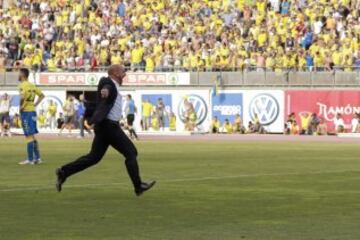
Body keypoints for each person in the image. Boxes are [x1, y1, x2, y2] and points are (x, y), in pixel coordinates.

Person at [56, 65, 155, 196]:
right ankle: (138, 186)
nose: (124, 74)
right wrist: (105, 91)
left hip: (105, 126)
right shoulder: (108, 82)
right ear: (114, 73)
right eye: (122, 71)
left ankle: (64, 172)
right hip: (109, 127)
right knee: (131, 153)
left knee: (94, 157)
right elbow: (106, 87)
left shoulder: (115, 86)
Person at [18, 68, 45, 165]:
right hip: (33, 112)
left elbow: (22, 97)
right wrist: (35, 104)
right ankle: (37, 158)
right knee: (32, 135)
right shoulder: (32, 85)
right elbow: (42, 95)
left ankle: (30, 159)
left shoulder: (22, 85)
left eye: (19, 73)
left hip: (26, 112)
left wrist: (20, 107)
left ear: (23, 75)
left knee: (29, 136)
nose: (18, 75)